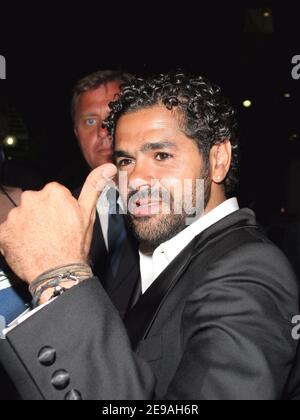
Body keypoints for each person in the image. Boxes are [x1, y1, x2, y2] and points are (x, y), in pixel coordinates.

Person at [0, 71, 298, 400]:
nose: (136, 178)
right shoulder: (166, 253)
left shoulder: (249, 270)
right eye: (126, 160)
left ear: (218, 159)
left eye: (161, 156)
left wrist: (58, 274)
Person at [71, 70, 139, 315]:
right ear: (77, 134)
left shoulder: (181, 202)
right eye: (89, 121)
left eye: (114, 115)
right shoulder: (61, 214)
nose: (102, 129)